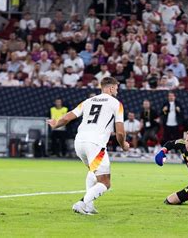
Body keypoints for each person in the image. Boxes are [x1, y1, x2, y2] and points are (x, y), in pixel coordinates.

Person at [47, 77, 129, 215]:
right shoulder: (116, 103)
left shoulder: (88, 101)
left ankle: (89, 206)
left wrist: (56, 124)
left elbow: (67, 117)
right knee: (105, 183)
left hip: (79, 143)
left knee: (93, 171)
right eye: (116, 87)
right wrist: (124, 145)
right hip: (95, 144)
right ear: (111, 88)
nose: (117, 90)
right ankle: (81, 203)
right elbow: (120, 132)